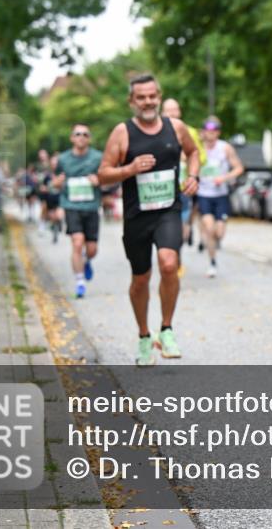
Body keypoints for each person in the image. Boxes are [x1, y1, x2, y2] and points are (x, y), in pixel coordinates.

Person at [98, 74, 200, 367]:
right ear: (132, 101)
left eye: (152, 96)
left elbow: (193, 153)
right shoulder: (122, 132)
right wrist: (128, 169)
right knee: (140, 279)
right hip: (136, 216)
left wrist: (193, 176)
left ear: (159, 96)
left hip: (168, 210)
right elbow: (103, 173)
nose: (147, 102)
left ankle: (166, 329)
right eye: (141, 97)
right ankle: (144, 335)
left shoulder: (176, 127)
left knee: (169, 264)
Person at [52, 124, 103, 299]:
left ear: (89, 138)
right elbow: (56, 181)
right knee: (77, 242)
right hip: (71, 206)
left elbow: (108, 179)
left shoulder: (98, 157)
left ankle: (87, 261)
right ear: (72, 138)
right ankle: (80, 282)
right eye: (77, 134)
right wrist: (57, 184)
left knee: (92, 249)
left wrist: (99, 180)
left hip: (91, 207)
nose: (81, 137)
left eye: (85, 134)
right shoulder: (64, 159)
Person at [161, 98, 206, 278]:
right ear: (162, 113)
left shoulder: (190, 132)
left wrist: (188, 163)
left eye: (175, 110)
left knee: (180, 227)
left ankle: (175, 255)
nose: (172, 114)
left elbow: (201, 156)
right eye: (168, 110)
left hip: (183, 188)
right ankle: (171, 256)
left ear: (179, 112)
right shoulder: (156, 131)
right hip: (162, 188)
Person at [196, 116, 244, 278]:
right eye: (208, 131)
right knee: (209, 229)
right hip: (204, 194)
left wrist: (223, 178)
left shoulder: (225, 148)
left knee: (219, 233)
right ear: (203, 133)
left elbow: (239, 168)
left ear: (218, 133)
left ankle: (213, 241)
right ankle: (212, 262)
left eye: (215, 131)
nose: (211, 134)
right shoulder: (198, 149)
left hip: (221, 195)